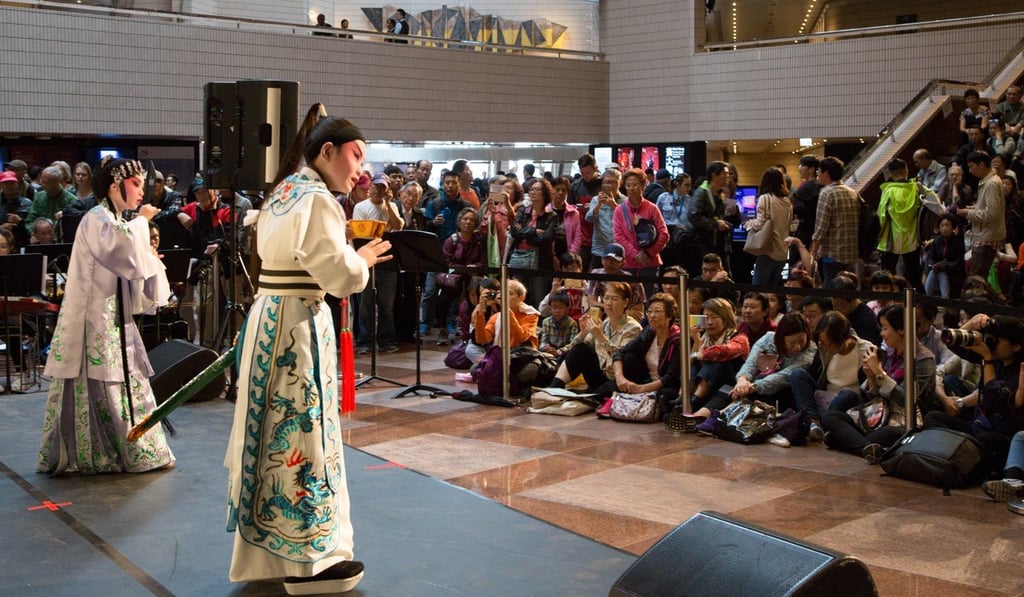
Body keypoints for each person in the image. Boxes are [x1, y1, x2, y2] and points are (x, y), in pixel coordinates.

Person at [224, 105, 392, 594]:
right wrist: (360, 260)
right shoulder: (318, 199)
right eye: (356, 155)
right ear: (327, 151)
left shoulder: (284, 190)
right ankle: (310, 562)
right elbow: (337, 277)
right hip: (297, 322)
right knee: (302, 435)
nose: (360, 169)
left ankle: (268, 555)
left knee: (270, 432)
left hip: (269, 316)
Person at [37, 157, 174, 475]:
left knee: (119, 380)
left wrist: (143, 244)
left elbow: (130, 255)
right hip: (95, 318)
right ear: (115, 185)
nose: (142, 192)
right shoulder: (98, 219)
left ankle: (124, 447)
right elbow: (124, 252)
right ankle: (108, 450)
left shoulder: (111, 219)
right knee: (105, 381)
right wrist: (142, 222)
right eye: (136, 184)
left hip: (111, 316)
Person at [820, 304, 936, 464]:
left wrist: (880, 373)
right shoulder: (889, 353)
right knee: (830, 416)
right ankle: (868, 448)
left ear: (901, 329)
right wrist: (871, 378)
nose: (881, 334)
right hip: (880, 415)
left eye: (885, 328)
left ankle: (858, 445)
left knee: (884, 433)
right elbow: (874, 397)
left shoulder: (923, 359)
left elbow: (906, 401)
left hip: (906, 422)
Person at [549, 281, 641, 392]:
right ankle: (554, 388)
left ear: (625, 302)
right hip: (599, 375)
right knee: (580, 349)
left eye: (614, 299)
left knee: (599, 393)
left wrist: (600, 337)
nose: (608, 303)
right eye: (606, 298)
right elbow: (574, 350)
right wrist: (583, 333)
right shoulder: (603, 323)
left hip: (618, 380)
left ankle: (594, 396)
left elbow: (622, 358)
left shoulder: (633, 328)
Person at [746, 167, 792, 286]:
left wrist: (749, 224)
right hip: (782, 252)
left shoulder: (765, 198)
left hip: (768, 250)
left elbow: (761, 223)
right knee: (772, 291)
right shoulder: (787, 202)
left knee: (758, 289)